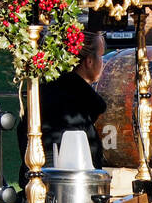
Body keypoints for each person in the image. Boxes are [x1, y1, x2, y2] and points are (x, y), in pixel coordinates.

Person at [18, 31, 107, 185]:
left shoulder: (43, 94)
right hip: (64, 193)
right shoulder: (72, 109)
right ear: (89, 61)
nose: (103, 62)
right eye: (101, 56)